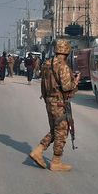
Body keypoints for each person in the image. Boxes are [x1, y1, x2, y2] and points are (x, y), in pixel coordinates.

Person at [29, 40, 80, 171]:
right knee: (62, 131)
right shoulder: (63, 66)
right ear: (67, 51)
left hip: (49, 101)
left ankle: (38, 151)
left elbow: (44, 81)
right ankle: (56, 161)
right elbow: (67, 87)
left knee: (55, 130)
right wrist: (75, 81)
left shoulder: (47, 63)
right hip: (59, 103)